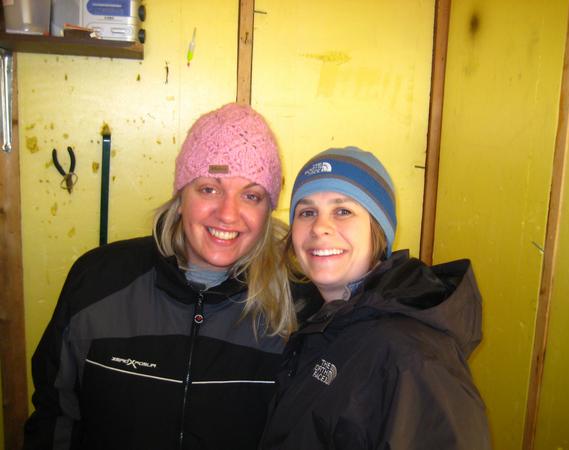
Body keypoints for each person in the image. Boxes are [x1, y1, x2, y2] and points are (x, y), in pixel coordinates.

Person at [24, 103, 297, 450]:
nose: (228, 214)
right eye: (209, 189)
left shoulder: (298, 308)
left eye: (251, 195)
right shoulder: (97, 282)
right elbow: (56, 416)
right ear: (181, 196)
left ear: (267, 210)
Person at [260, 147, 491, 450]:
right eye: (307, 212)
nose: (320, 227)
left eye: (343, 211)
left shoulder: (411, 357)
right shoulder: (324, 324)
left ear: (378, 230)